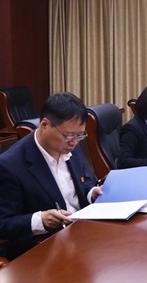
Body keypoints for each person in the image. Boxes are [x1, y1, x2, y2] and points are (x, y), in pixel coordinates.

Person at [0, 92, 102, 260]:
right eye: (69, 136)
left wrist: (91, 193)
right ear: (45, 125)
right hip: (45, 250)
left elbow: (83, 181)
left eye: (80, 135)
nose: (74, 142)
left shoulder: (72, 145)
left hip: (84, 234)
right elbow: (3, 224)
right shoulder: (9, 165)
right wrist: (40, 220)